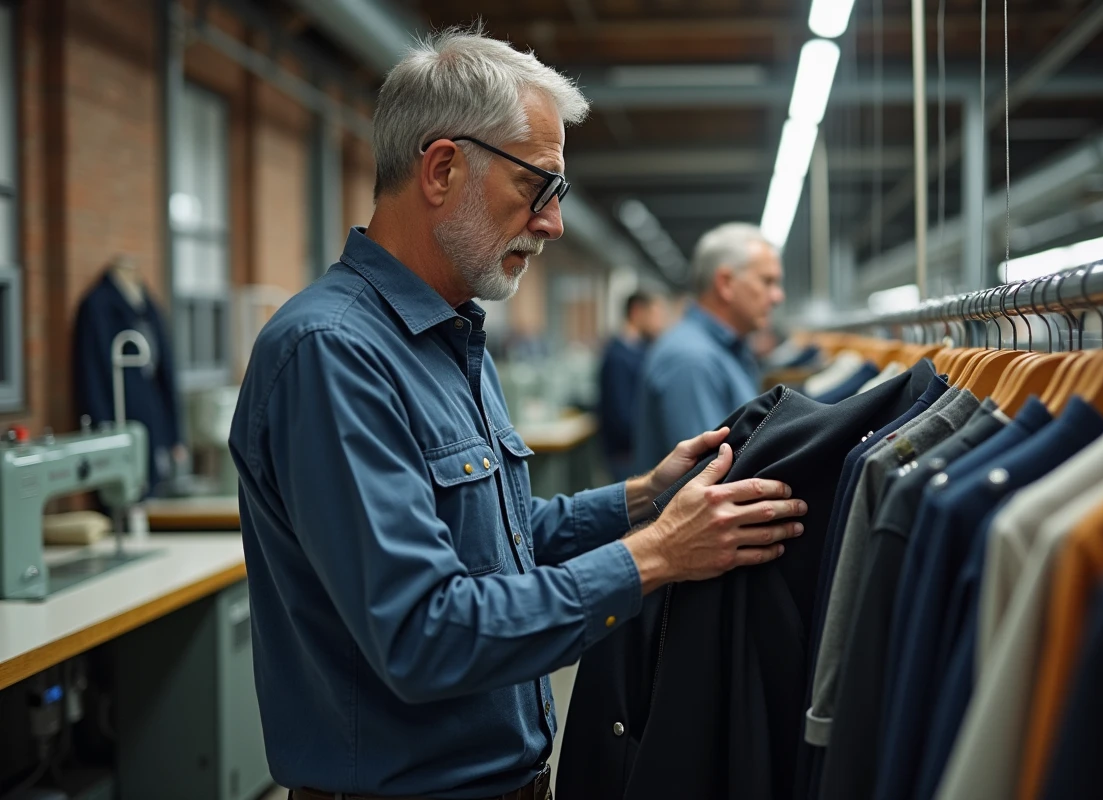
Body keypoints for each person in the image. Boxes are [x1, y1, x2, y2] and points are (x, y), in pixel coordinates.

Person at [227, 27, 807, 800]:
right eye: (540, 186)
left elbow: (500, 545)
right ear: (442, 169)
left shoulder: (451, 339)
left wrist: (642, 499)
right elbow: (424, 631)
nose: (552, 223)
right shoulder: (332, 353)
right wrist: (657, 555)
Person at [633, 222, 785, 473]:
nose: (778, 296)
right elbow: (708, 478)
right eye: (767, 282)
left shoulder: (727, 351)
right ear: (725, 283)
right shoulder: (692, 359)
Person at [598, 292, 667, 481]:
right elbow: (621, 416)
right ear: (637, 312)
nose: (659, 322)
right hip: (626, 456)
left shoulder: (642, 350)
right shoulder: (618, 357)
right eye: (655, 314)